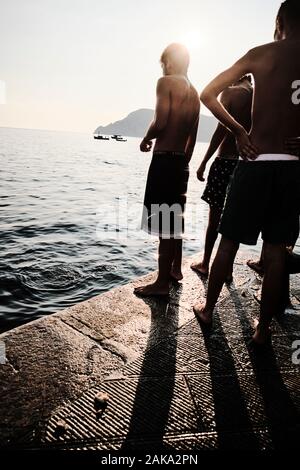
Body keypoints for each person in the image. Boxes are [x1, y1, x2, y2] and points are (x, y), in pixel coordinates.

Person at [194, 0, 300, 345]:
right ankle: (262, 331)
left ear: (280, 20)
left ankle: (208, 309)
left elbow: (208, 94)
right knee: (275, 252)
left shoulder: (261, 53)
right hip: (292, 169)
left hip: (255, 161)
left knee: (229, 241)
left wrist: (239, 131)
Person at [134, 43, 200, 298]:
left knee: (163, 225)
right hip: (181, 162)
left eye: (163, 62)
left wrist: (146, 138)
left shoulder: (166, 82)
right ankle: (174, 270)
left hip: (164, 160)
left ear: (169, 61)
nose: (163, 67)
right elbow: (192, 138)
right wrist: (184, 162)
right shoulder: (194, 92)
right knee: (173, 223)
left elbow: (160, 121)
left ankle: (161, 283)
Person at [191, 76, 253, 281]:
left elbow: (220, 130)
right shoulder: (258, 96)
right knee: (234, 220)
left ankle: (206, 263)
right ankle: (228, 270)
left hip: (225, 160)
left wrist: (203, 162)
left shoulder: (230, 92)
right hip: (246, 164)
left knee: (214, 218)